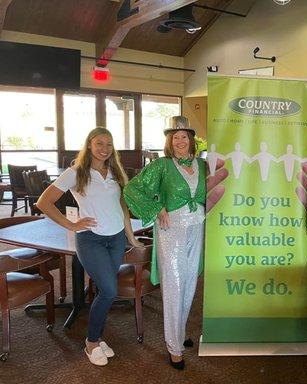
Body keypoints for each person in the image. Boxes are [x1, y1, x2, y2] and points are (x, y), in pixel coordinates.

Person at [36, 127, 143, 366]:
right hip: (90, 238)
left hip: (115, 238)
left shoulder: (115, 171)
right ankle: (91, 342)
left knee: (106, 291)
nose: (104, 149)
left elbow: (122, 207)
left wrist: (130, 236)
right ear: (90, 145)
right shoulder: (77, 172)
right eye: (99, 144)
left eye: (109, 144)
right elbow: (44, 202)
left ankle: (98, 337)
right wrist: (69, 224)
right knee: (109, 290)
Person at [123, 116, 206, 370]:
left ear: (191, 140)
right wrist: (157, 208)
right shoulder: (162, 165)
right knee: (174, 286)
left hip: (197, 227)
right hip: (172, 231)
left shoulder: (202, 165)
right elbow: (132, 189)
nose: (180, 141)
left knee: (190, 282)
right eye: (175, 137)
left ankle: (180, 333)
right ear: (170, 142)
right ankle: (173, 347)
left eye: (184, 137)